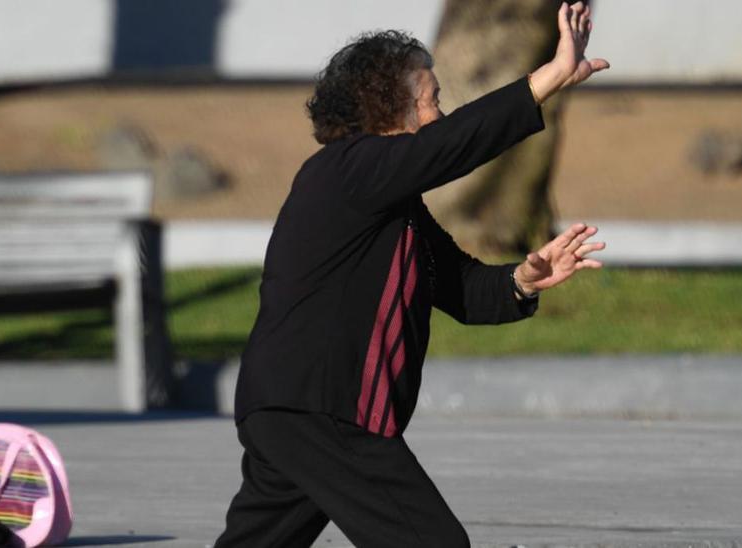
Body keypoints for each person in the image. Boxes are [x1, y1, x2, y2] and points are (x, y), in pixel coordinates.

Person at [214, 3, 609, 546]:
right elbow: (452, 147)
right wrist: (550, 77)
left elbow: (463, 290)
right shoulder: (347, 170)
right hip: (326, 409)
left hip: (289, 411)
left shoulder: (389, 204)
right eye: (430, 101)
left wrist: (524, 278)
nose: (440, 115)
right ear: (386, 110)